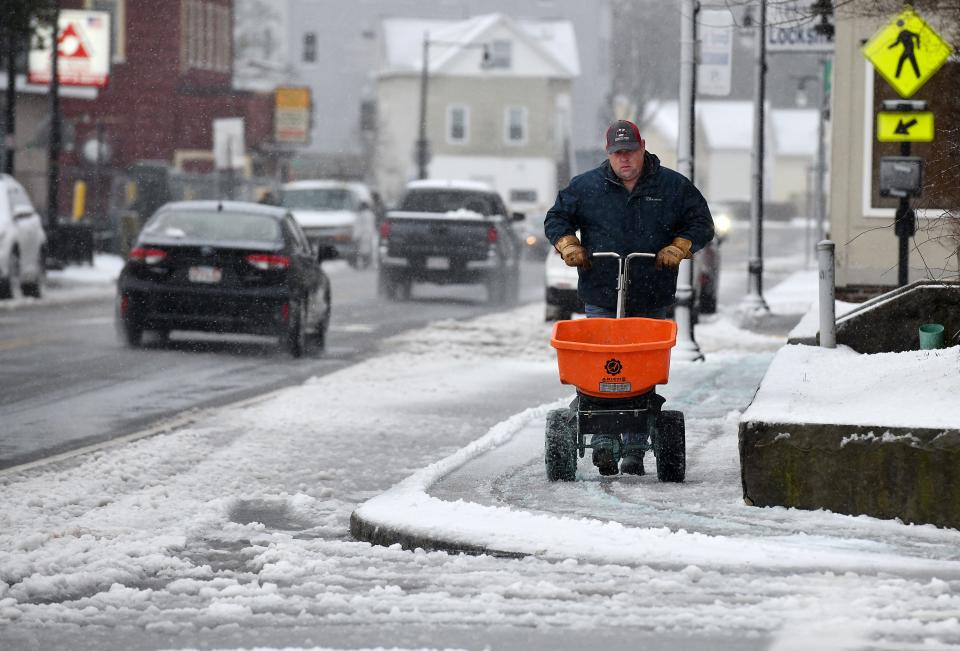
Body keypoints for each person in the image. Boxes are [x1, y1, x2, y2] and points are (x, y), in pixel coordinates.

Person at [543, 119, 714, 476]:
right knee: (603, 366)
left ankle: (635, 447)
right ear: (609, 154)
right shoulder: (587, 187)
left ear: (643, 149)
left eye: (630, 152)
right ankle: (605, 441)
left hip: (651, 290)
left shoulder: (671, 186)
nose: (625, 160)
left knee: (640, 369)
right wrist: (568, 244)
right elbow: (556, 217)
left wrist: (679, 245)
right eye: (618, 153)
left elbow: (701, 222)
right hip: (601, 290)